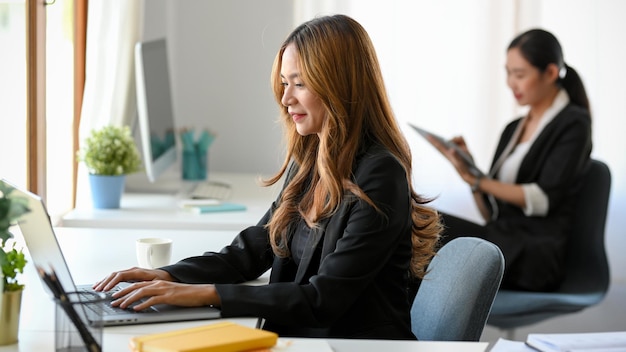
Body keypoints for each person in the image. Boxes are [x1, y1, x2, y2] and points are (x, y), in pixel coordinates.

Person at [94, 14, 441, 340]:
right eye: (284, 83)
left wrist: (200, 295)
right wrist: (169, 275)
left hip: (352, 345)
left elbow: (322, 300)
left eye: (300, 84)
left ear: (339, 86)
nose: (286, 99)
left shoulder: (380, 174)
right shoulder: (311, 159)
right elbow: (250, 252)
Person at [431, 28, 592, 292]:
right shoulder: (513, 128)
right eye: (507, 72)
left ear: (551, 73)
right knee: (420, 221)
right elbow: (491, 213)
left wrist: (480, 181)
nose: (510, 83)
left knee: (422, 229)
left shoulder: (574, 123)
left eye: (519, 74)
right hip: (502, 238)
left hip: (533, 254)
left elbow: (542, 200)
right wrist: (470, 174)